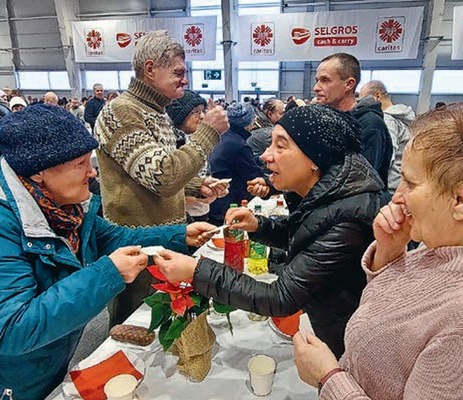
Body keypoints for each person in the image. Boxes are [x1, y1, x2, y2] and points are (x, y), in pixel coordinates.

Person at [0, 104, 216, 400]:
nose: (91, 173)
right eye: (81, 163)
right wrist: (108, 273)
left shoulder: (67, 208)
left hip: (38, 366)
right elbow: (11, 329)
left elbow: (116, 238)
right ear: (39, 171)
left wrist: (179, 235)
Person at [293, 103, 463, 399]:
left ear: (462, 197)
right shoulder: (459, 247)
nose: (398, 196)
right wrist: (389, 254)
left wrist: (328, 378)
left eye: (410, 182)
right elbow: (404, 318)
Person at [156, 104, 385, 358]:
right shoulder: (329, 194)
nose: (265, 155)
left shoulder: (348, 216)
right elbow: (309, 232)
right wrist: (259, 226)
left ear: (315, 159)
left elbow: (280, 297)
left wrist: (195, 271)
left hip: (342, 339)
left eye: (281, 145)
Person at [94, 30, 229, 326]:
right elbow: (163, 177)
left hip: (167, 236)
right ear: (151, 69)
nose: (186, 80)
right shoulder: (120, 112)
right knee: (137, 325)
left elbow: (148, 172)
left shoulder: (157, 112)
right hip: (135, 242)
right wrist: (208, 133)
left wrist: (195, 184)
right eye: (178, 72)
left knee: (167, 316)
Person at [313, 53, 392, 191]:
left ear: (349, 84)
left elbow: (361, 180)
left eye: (325, 80)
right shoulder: (326, 120)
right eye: (317, 80)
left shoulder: (370, 124)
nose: (316, 87)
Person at [167, 89, 224, 221]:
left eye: (203, 111)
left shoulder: (194, 138)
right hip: (181, 214)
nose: (202, 116)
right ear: (180, 116)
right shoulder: (172, 143)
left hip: (201, 209)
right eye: (196, 112)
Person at [208, 102, 264, 226]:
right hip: (227, 203)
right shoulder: (239, 145)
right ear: (248, 123)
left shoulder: (225, 136)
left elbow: (238, 163)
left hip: (216, 199)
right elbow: (252, 175)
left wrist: (259, 159)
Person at [359, 80, 415, 194]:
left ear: (377, 96)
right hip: (402, 183)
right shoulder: (405, 117)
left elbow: (388, 157)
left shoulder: (388, 120)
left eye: (363, 99)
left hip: (390, 188)